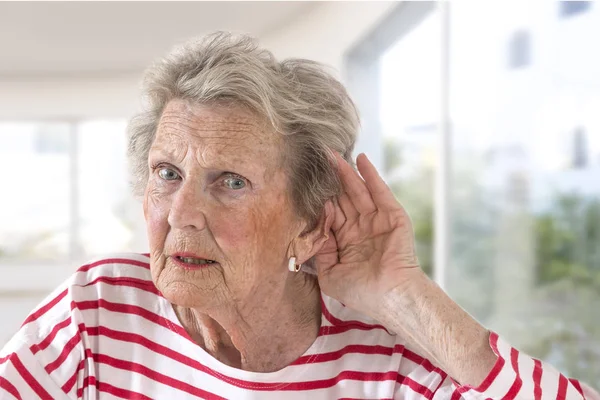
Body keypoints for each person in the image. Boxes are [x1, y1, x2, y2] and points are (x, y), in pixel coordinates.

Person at [0, 32, 598, 400]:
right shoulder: (100, 308)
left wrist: (402, 295)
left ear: (310, 221)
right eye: (167, 174)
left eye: (230, 182)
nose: (181, 214)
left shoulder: (387, 362)